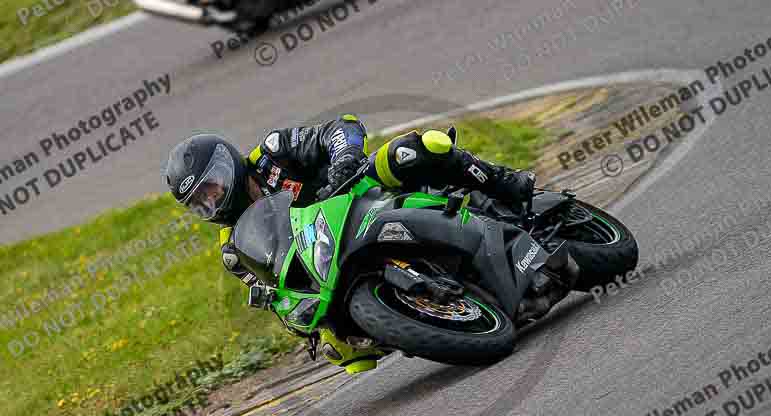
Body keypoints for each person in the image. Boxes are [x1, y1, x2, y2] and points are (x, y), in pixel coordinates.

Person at [163, 114, 536, 286]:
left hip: (362, 194)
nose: (212, 199)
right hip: (334, 261)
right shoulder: (235, 247)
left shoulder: (272, 152)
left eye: (211, 186)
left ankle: (506, 183)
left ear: (228, 165)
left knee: (412, 150)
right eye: (201, 201)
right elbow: (273, 293)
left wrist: (344, 158)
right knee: (336, 345)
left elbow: (340, 128)